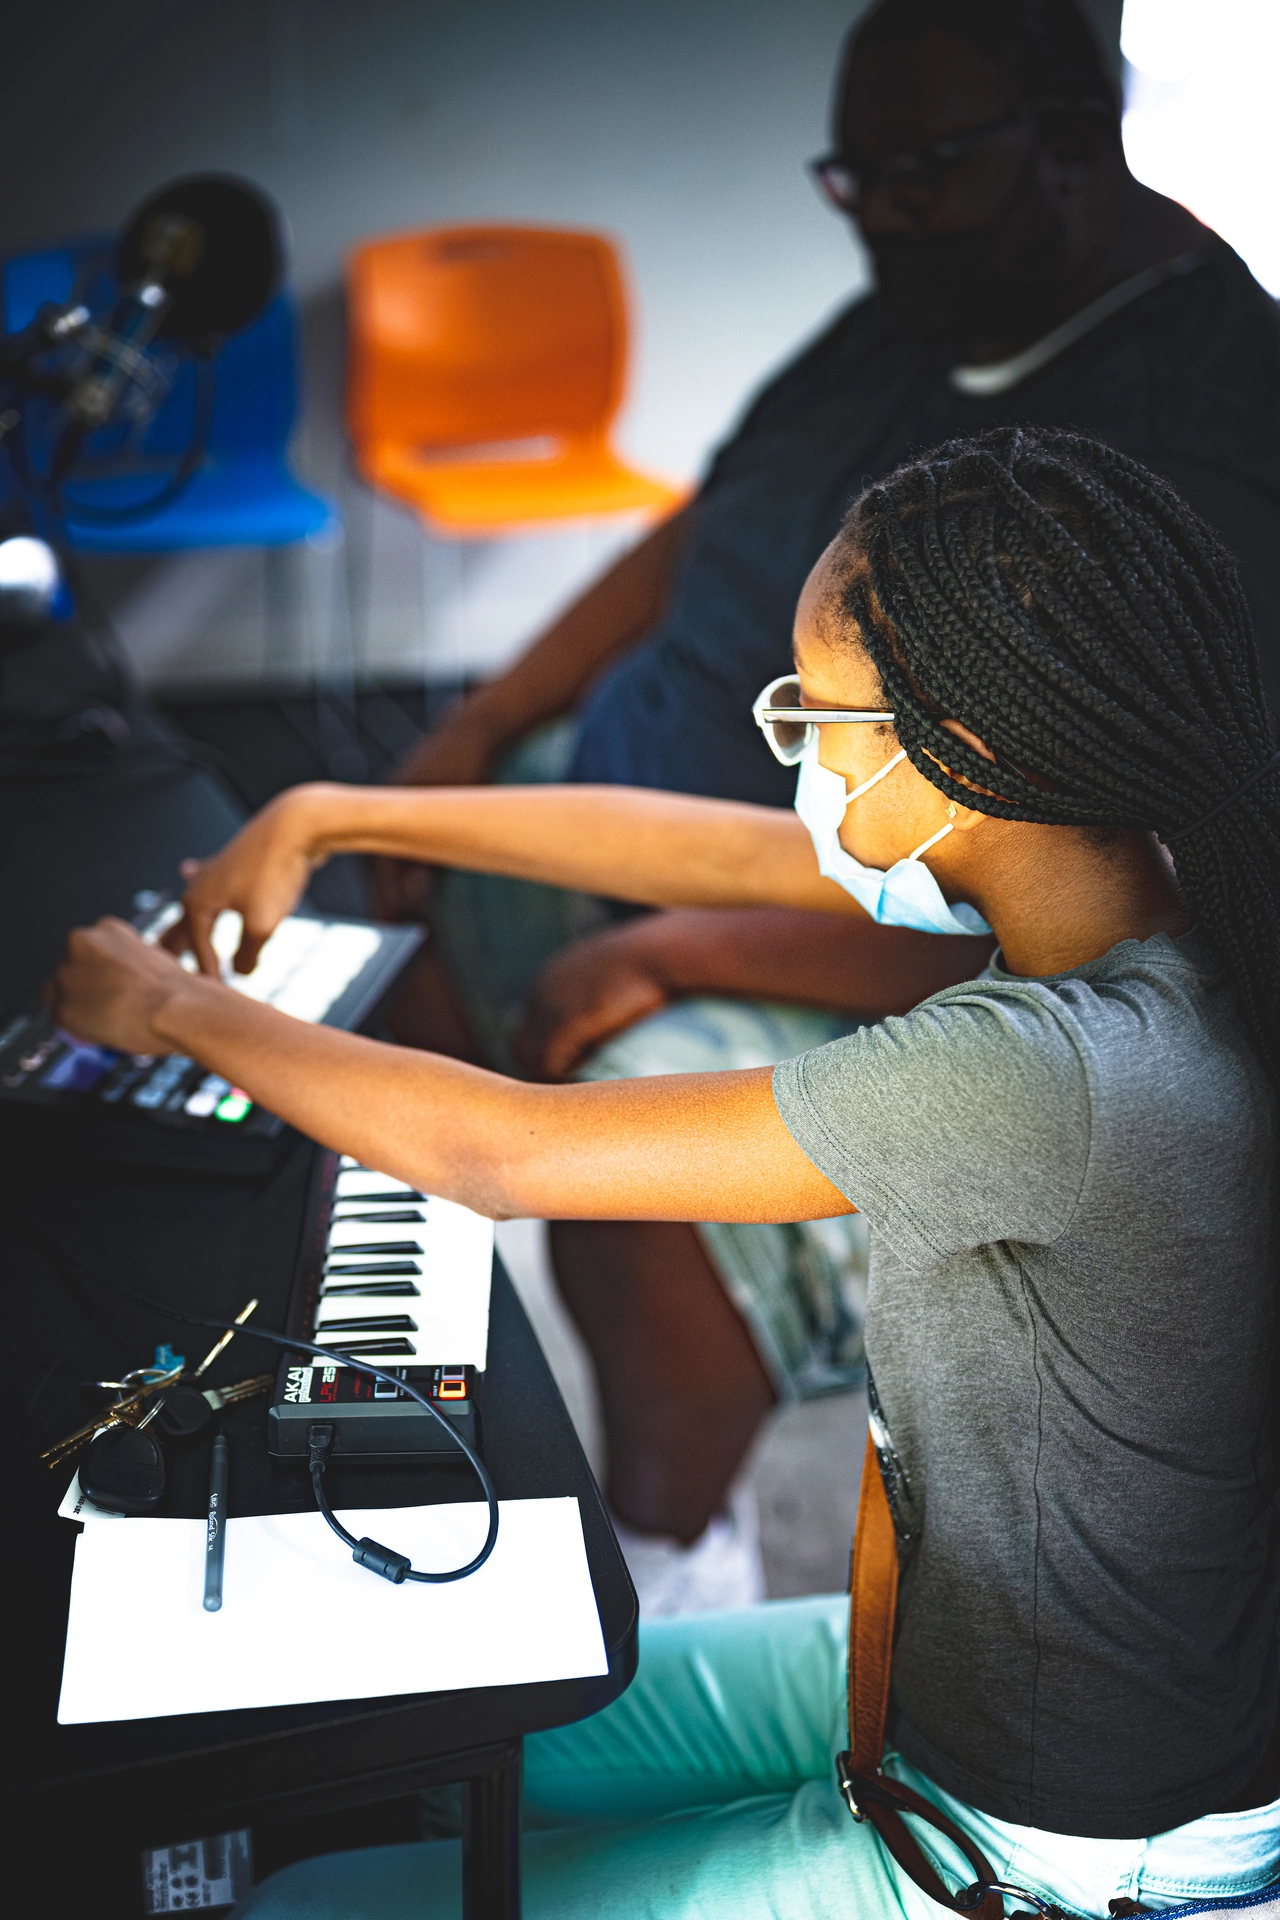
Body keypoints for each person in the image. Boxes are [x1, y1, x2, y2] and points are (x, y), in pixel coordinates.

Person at [56, 426, 1279, 1917]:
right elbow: (692, 848)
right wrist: (335, 812)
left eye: (816, 722)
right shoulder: (1124, 883)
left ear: (968, 753)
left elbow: (493, 1151)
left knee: (313, 1900)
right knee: (402, 1750)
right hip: (948, 1676)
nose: (800, 764)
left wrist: (173, 1009)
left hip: (1051, 1838)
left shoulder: (1044, 1071)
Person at [370, 0, 1280, 1603]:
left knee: (610, 1154)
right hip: (734, 858)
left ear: (1070, 146)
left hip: (851, 930)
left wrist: (682, 949)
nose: (878, 218)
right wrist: (478, 738)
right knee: (426, 928)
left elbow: (1071, 888)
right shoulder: (923, 304)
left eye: (916, 174)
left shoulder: (1193, 439)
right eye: (850, 179)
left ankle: (670, 1551)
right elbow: (710, 525)